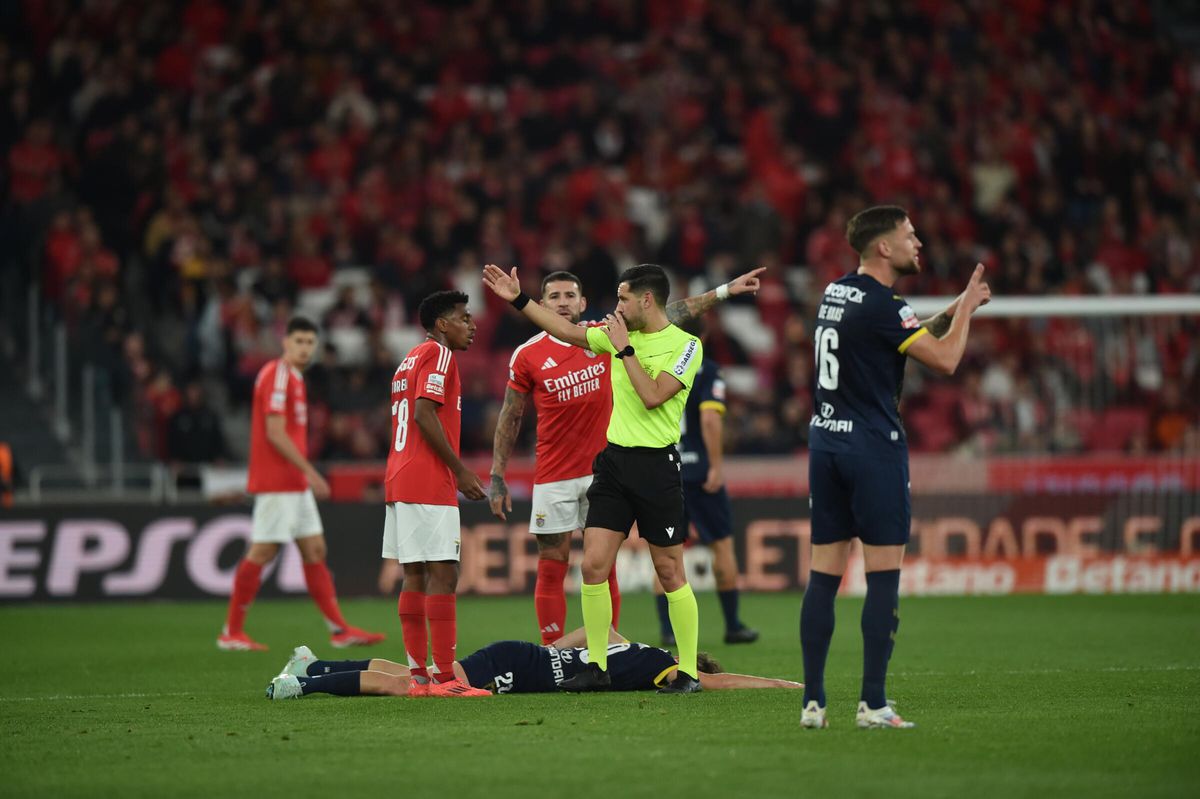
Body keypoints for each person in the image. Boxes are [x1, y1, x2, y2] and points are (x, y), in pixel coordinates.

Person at [484, 263, 739, 694]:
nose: (614, 307)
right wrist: (519, 299)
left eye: (622, 299)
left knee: (670, 570)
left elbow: (653, 395)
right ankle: (598, 666)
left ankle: (690, 672)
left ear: (645, 300)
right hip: (614, 465)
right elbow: (564, 333)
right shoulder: (617, 334)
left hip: (658, 468)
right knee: (594, 566)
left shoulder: (686, 346)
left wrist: (624, 351)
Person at [800, 206, 990, 729]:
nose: (918, 242)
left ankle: (813, 703)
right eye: (909, 235)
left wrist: (953, 306)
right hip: (872, 450)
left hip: (826, 446)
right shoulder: (886, 304)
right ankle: (874, 705)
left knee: (823, 578)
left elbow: (900, 338)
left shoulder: (837, 292)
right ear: (884, 247)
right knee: (883, 580)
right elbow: (946, 361)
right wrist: (969, 311)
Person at [218, 316, 384, 651]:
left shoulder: (294, 377)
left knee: (315, 549)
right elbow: (275, 433)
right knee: (263, 551)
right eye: (299, 342)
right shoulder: (279, 375)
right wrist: (310, 471)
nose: (305, 348)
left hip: (294, 482)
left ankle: (339, 630)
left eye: (310, 343)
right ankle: (231, 632)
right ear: (285, 342)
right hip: (278, 481)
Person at [384, 290, 490, 698]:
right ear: (442, 325)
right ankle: (446, 679)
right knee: (444, 573)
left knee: (415, 573)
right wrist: (460, 470)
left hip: (400, 475)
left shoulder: (407, 359)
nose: (472, 324)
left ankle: (418, 678)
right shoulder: (440, 355)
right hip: (427, 478)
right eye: (464, 317)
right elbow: (424, 413)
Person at [265, 626, 802, 699]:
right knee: (413, 687)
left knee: (417, 675)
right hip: (516, 670)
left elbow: (595, 629)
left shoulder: (631, 645)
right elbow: (722, 681)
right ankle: (300, 688)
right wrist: (786, 685)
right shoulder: (664, 666)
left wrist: (551, 657)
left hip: (522, 659)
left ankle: (314, 665)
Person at [654, 316, 758, 646]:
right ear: (704, 334)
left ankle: (669, 630)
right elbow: (710, 419)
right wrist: (715, 465)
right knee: (721, 545)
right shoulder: (708, 369)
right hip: (700, 473)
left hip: (665, 471)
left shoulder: (655, 367)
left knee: (666, 553)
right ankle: (733, 625)